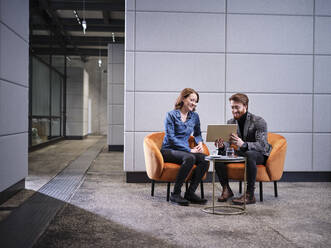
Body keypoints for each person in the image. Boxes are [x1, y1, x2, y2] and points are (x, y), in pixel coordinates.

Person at [214, 93, 272, 205]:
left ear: (245, 106)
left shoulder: (258, 121)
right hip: (243, 153)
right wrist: (222, 146)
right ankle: (226, 189)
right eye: (232, 107)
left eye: (237, 107)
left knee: (250, 154)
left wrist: (243, 144)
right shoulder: (230, 122)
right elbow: (227, 143)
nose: (234, 110)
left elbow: (263, 145)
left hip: (259, 155)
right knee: (218, 156)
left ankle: (250, 195)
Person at [161, 88, 209, 206]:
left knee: (205, 159)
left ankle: (190, 193)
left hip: (185, 151)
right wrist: (189, 150)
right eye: (191, 99)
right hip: (169, 150)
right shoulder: (171, 115)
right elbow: (171, 138)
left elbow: (197, 134)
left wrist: (199, 144)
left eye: (196, 101)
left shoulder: (194, 116)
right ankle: (175, 194)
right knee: (190, 158)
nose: (194, 103)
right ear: (183, 98)